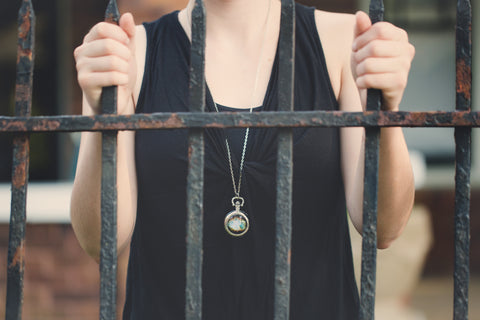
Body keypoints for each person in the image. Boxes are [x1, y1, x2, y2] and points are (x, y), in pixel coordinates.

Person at [71, 0, 415, 318]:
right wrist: (103, 115)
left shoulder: (345, 42)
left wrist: (385, 111)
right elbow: (101, 240)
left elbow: (381, 227)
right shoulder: (130, 54)